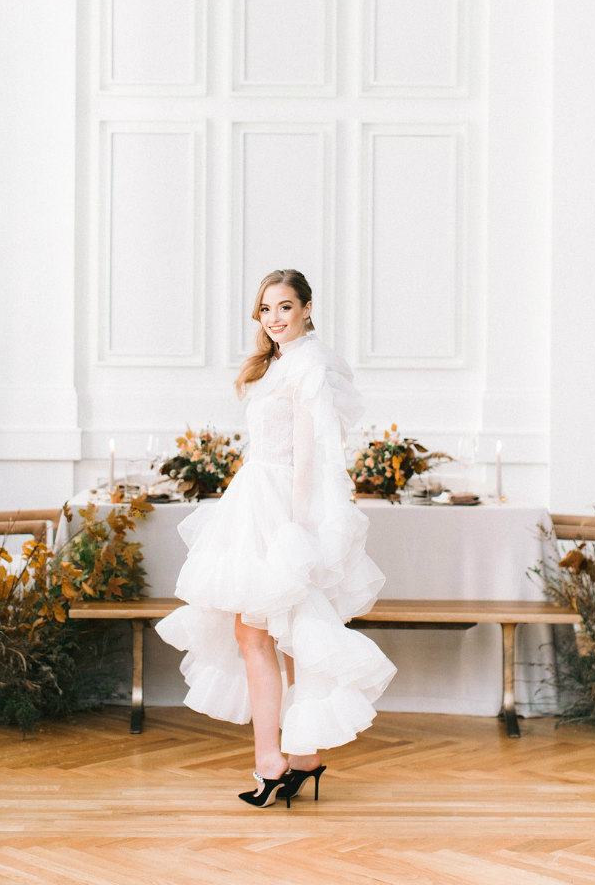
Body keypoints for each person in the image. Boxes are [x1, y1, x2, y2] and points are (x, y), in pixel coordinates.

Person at [156, 269, 396, 807]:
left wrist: (295, 529)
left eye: (285, 307)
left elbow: (311, 455)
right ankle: (300, 758)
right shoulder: (280, 363)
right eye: (266, 310)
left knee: (258, 635)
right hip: (257, 500)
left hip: (280, 508)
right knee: (275, 635)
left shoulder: (308, 363)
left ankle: (272, 763)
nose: (274, 319)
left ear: (308, 307)